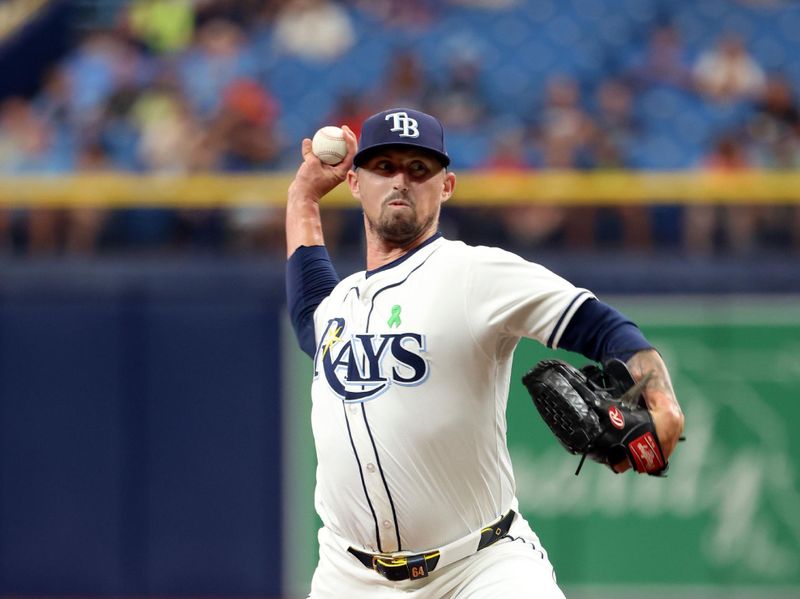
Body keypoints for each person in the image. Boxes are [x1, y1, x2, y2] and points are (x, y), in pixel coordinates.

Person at [285, 108, 685, 598]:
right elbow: (308, 312)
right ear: (354, 181)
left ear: (447, 186)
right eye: (384, 167)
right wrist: (303, 196)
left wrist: (662, 397)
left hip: (480, 568)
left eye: (418, 169)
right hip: (351, 577)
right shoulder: (339, 305)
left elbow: (600, 325)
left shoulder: (475, 273)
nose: (400, 181)